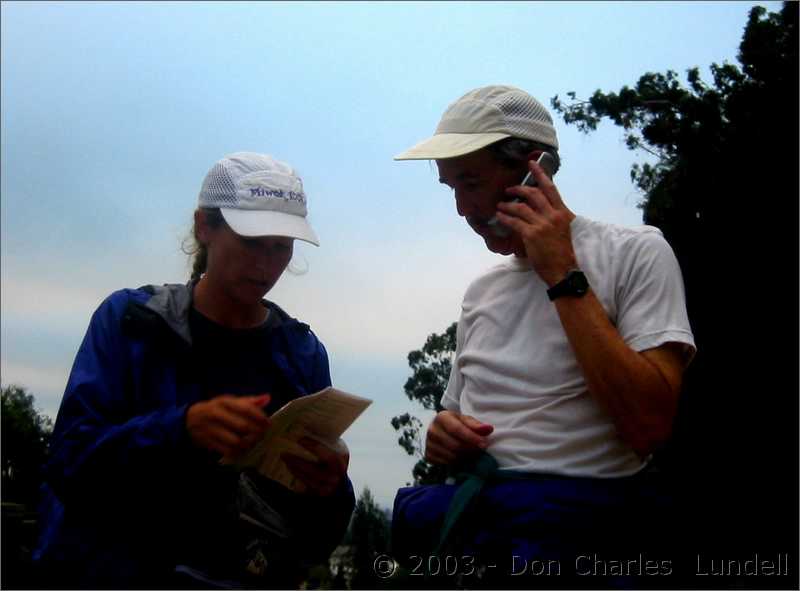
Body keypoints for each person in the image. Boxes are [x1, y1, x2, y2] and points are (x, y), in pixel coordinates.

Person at [392, 86, 696, 586]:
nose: (463, 209)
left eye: (471, 182)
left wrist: (561, 273)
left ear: (536, 168)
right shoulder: (481, 293)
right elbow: (454, 415)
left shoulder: (636, 253)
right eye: (451, 188)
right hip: (480, 544)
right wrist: (443, 433)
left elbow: (648, 426)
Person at [33, 152, 354, 589]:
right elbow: (69, 465)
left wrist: (329, 488)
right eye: (251, 242)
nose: (265, 265)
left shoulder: (300, 354)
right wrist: (182, 430)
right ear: (205, 227)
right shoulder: (131, 323)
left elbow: (315, 538)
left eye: (281, 246)